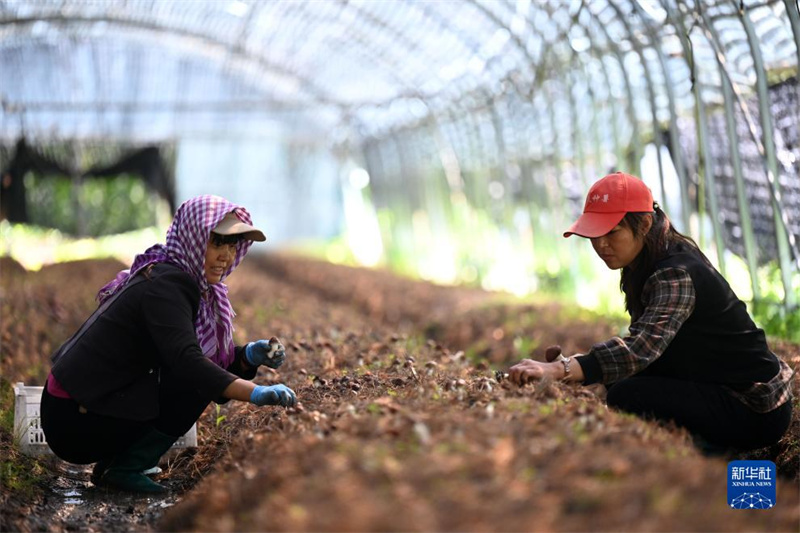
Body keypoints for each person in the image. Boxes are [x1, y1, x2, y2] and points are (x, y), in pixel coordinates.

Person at [507, 171, 794, 452]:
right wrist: (583, 370)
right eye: (594, 235)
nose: (601, 244)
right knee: (619, 380)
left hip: (753, 405)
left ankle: (707, 458)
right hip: (718, 384)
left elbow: (640, 350)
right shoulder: (651, 258)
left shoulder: (675, 274)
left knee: (627, 394)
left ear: (644, 223)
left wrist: (562, 369)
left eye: (611, 232)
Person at [41, 195, 297, 493]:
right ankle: (126, 467)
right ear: (194, 239)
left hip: (81, 403)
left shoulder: (175, 277)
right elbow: (190, 363)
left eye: (232, 245)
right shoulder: (168, 287)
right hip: (74, 418)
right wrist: (255, 393)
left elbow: (194, 358)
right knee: (194, 379)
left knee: (196, 375)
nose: (226, 256)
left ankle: (117, 463)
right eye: (217, 243)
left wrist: (247, 357)